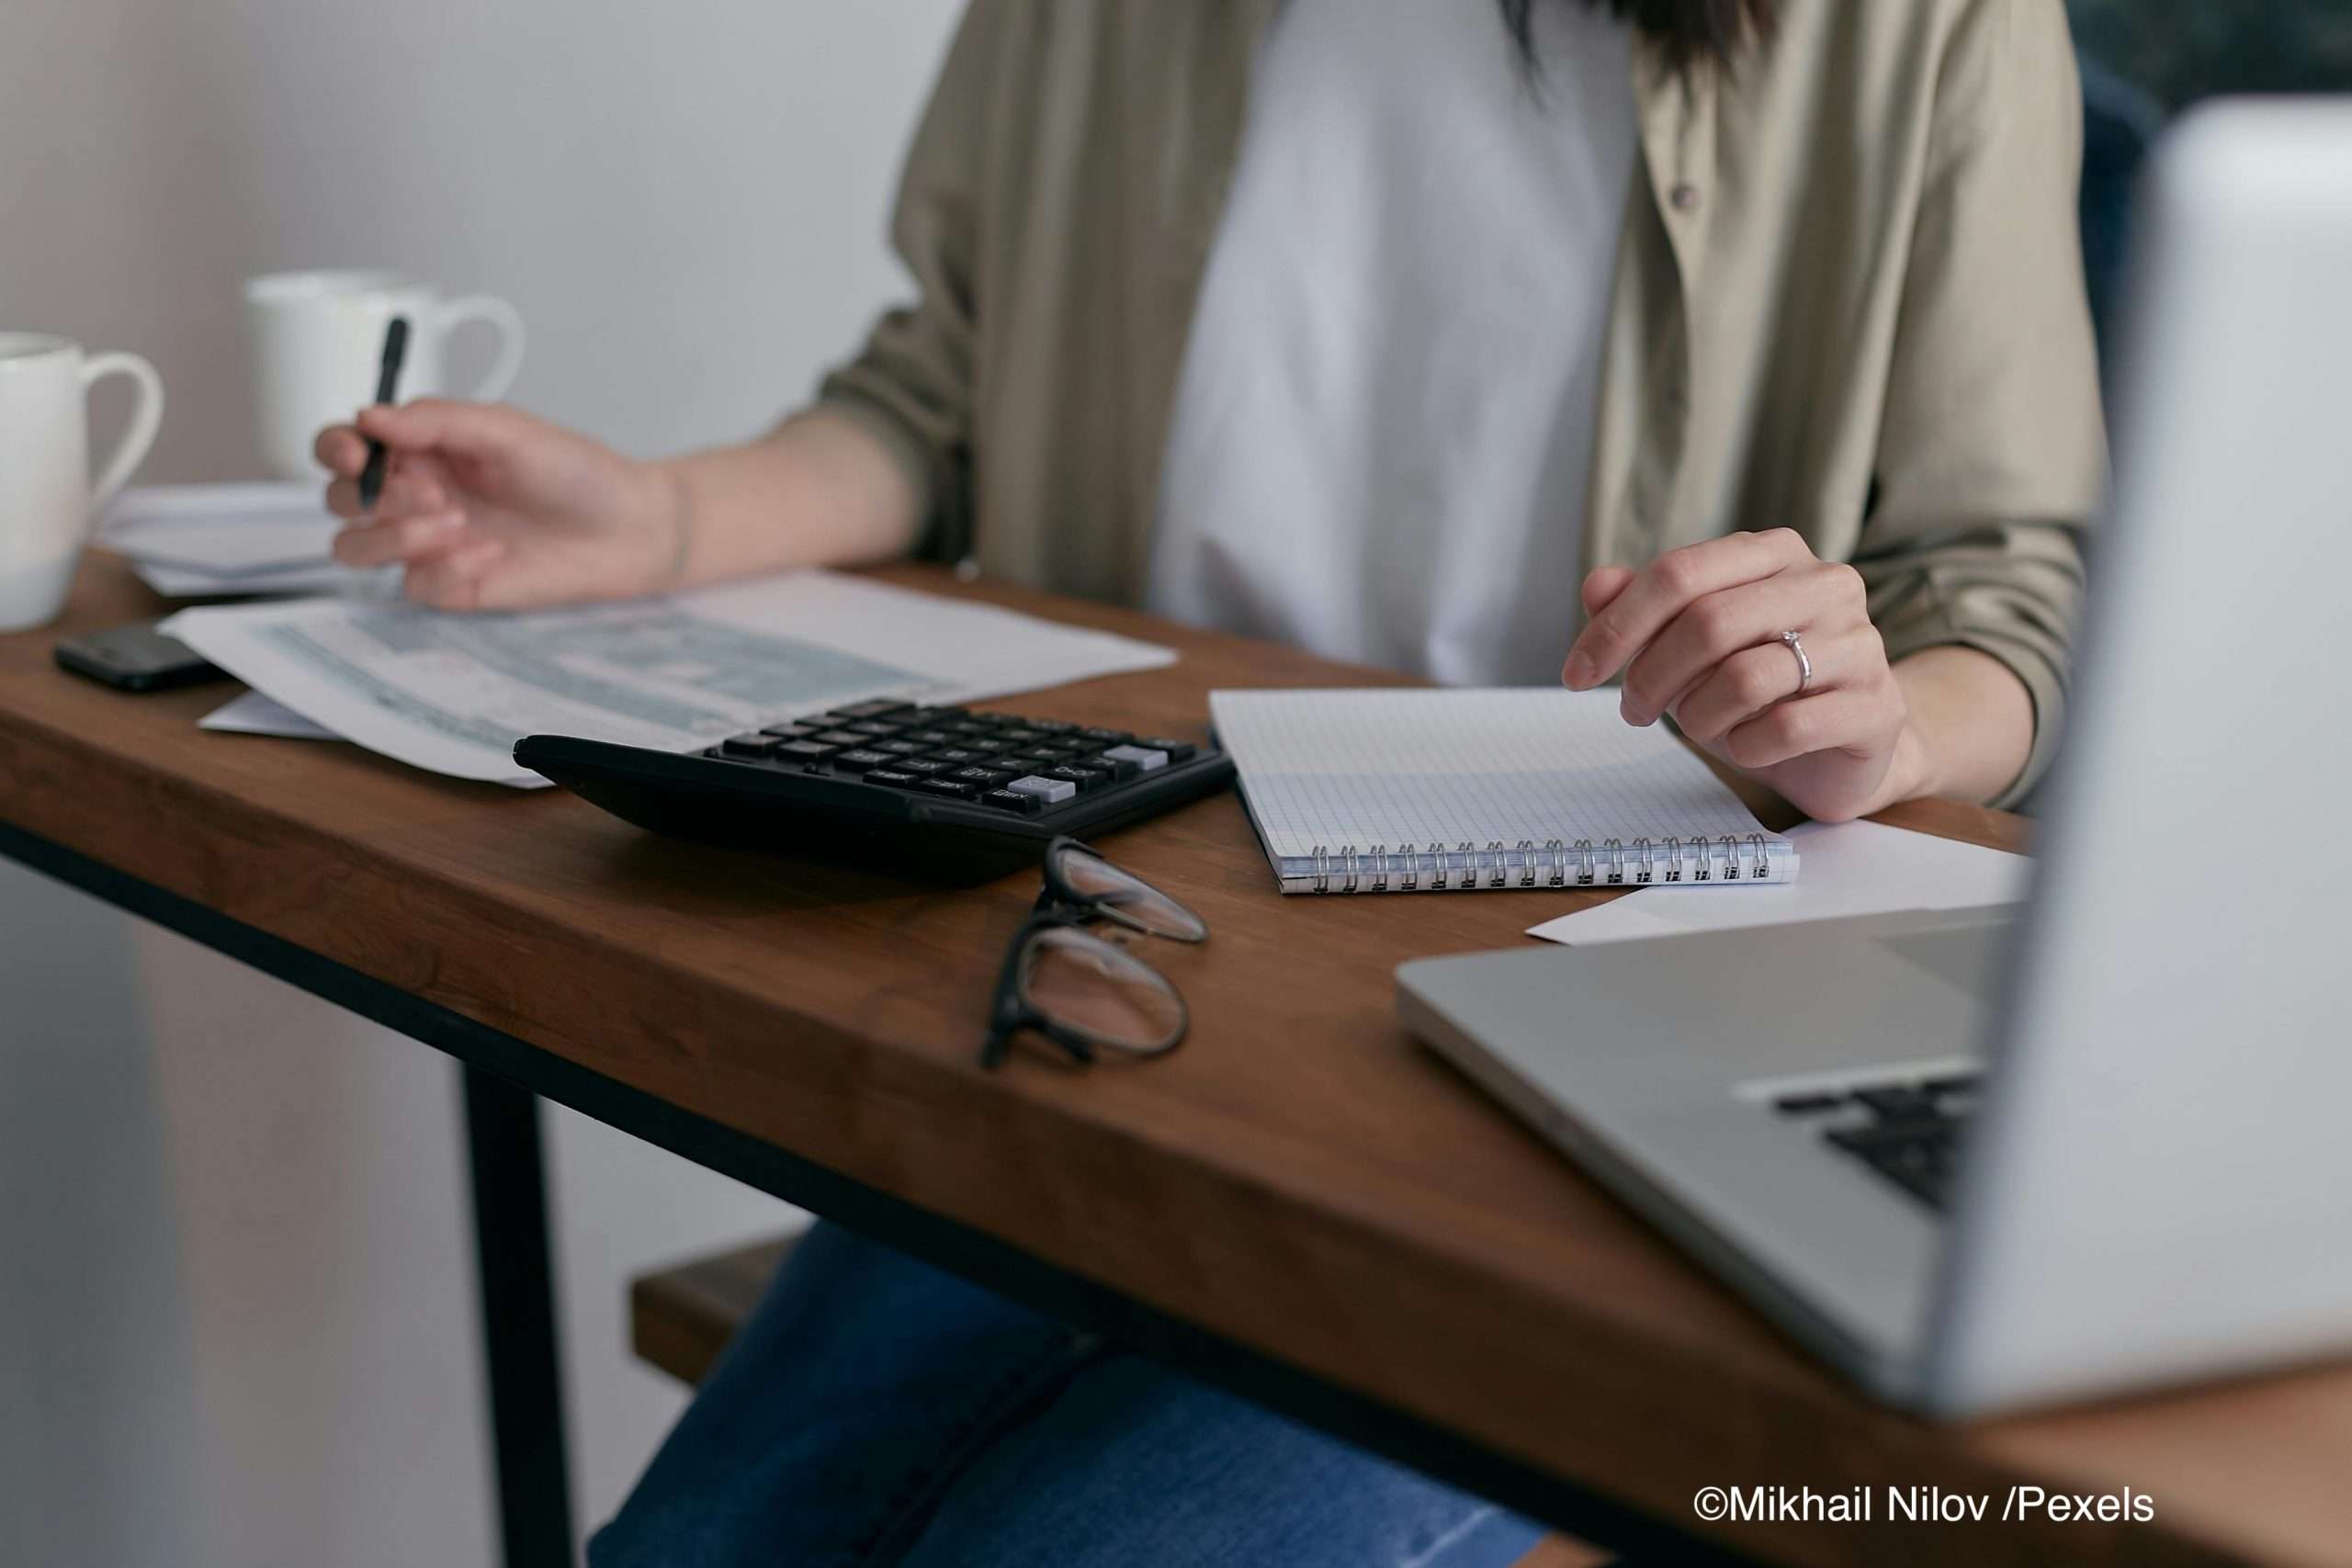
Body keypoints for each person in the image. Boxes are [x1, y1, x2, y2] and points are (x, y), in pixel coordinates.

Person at [316, 1, 2104, 1561]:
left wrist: (1872, 725)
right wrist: (664, 517)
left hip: (1585, 1035)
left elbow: (2001, 593)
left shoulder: (1920, 18)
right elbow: (940, 396)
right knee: (691, 1544)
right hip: (1114, 965)